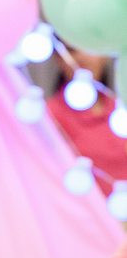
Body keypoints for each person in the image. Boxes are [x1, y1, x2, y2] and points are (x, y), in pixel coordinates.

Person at [47, 49, 127, 197]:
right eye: (72, 51)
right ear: (58, 58)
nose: (81, 58)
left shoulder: (120, 111)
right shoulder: (48, 117)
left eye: (89, 49)